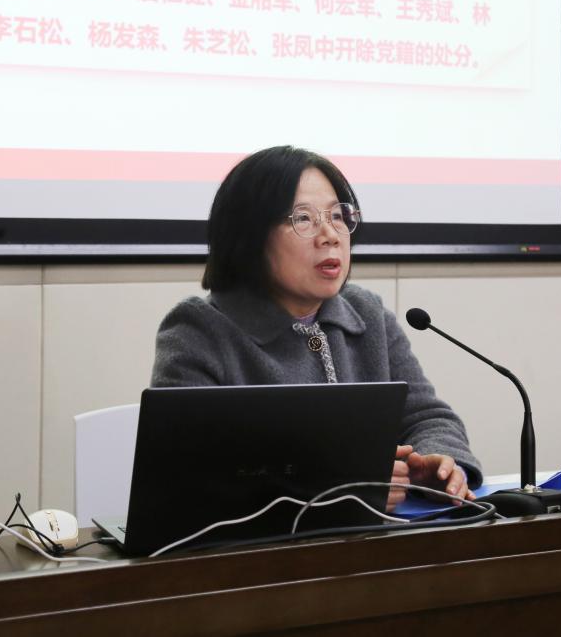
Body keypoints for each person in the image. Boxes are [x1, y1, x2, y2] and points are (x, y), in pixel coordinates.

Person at [152, 145, 482, 509]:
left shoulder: (367, 315)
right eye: (303, 219)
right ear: (250, 235)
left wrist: (437, 464)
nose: (330, 235)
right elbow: (190, 472)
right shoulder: (199, 332)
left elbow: (429, 417)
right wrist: (337, 486)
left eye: (338, 215)